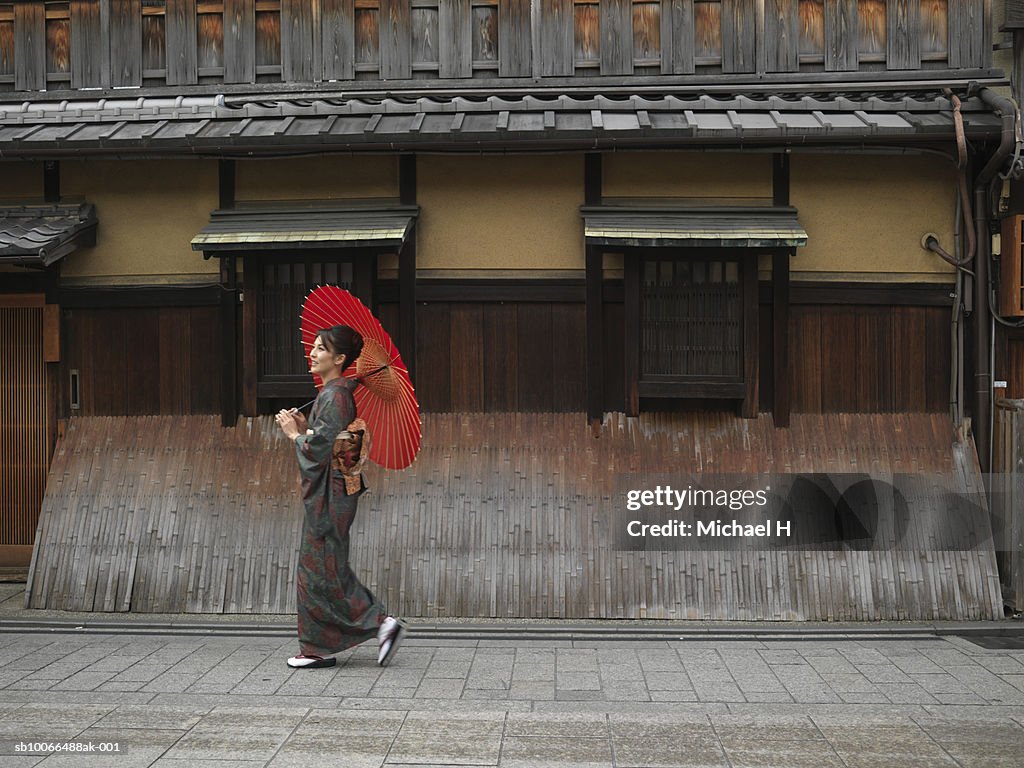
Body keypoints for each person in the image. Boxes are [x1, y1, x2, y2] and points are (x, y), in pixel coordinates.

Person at [275, 324, 406, 669]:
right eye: (314, 347)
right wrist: (305, 429)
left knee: (320, 569)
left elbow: (319, 451)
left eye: (321, 349)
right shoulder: (336, 393)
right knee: (323, 567)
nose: (313, 353)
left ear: (340, 358)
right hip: (334, 493)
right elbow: (325, 441)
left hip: (329, 498)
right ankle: (321, 646)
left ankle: (378, 623)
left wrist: (294, 436)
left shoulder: (335, 396)